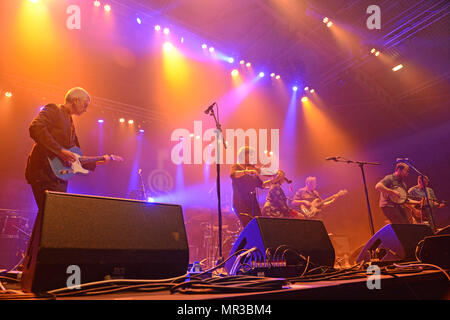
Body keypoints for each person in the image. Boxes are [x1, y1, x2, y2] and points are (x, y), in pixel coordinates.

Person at [25, 87, 111, 213]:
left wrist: (99, 161)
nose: (86, 109)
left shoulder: (70, 123)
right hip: (43, 173)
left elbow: (75, 157)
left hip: (58, 177)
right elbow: (36, 128)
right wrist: (60, 151)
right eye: (85, 105)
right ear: (75, 100)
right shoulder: (54, 109)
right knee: (51, 217)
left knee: (48, 218)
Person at [230, 146, 273, 227]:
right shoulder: (236, 167)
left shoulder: (252, 168)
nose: (252, 157)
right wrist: (247, 172)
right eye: (250, 155)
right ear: (243, 156)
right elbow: (234, 174)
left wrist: (273, 180)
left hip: (253, 203)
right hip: (240, 203)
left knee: (259, 225)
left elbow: (262, 185)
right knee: (248, 227)